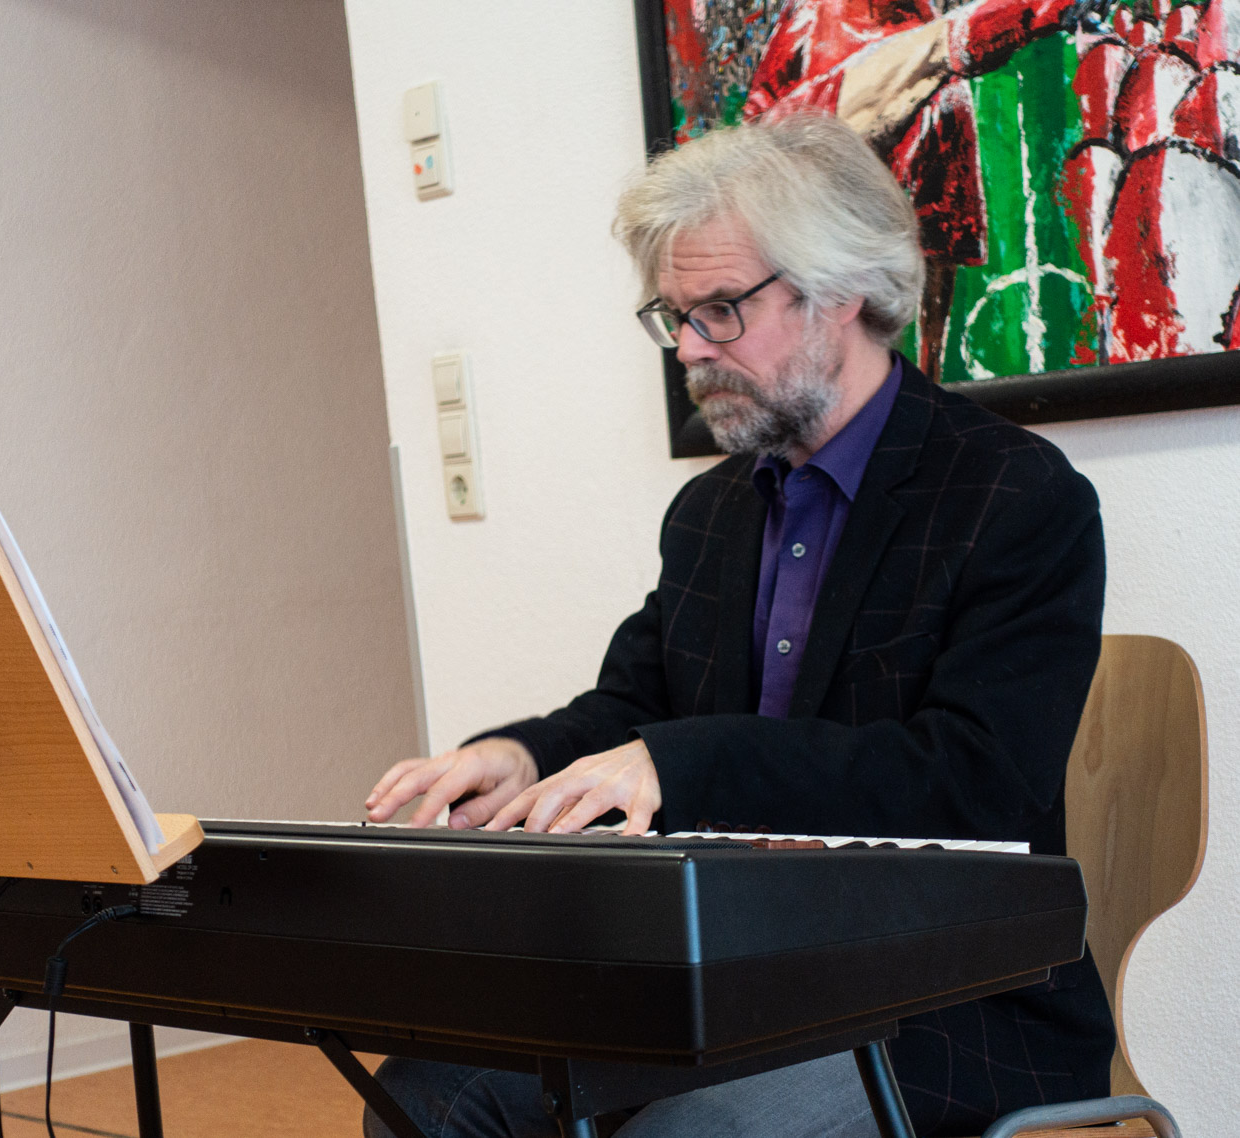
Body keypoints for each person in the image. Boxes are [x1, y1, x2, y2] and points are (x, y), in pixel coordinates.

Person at [363, 111, 1115, 1138]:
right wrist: (521, 756)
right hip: (730, 975)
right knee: (425, 1099)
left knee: (694, 1135)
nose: (687, 349)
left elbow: (975, 782)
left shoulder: (1015, 495)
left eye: (720, 310)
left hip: (944, 996)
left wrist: (690, 762)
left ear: (842, 291)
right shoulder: (710, 512)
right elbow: (633, 710)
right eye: (673, 317)